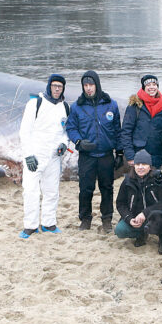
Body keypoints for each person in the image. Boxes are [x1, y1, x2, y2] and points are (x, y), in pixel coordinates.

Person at [65, 70, 123, 233]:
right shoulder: (77, 107)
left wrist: (119, 153)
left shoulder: (110, 104)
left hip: (105, 155)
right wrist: (78, 141)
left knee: (107, 188)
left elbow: (117, 130)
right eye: (85, 85)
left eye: (91, 85)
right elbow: (71, 127)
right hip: (87, 156)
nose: (88, 88)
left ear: (97, 85)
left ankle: (106, 219)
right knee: (85, 188)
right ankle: (85, 219)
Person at [18, 74, 70, 239]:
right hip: (35, 155)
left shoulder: (64, 107)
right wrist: (28, 155)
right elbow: (24, 131)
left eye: (60, 87)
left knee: (52, 191)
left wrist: (64, 144)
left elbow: (65, 132)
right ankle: (30, 226)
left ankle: (48, 223)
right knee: (31, 191)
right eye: (54, 86)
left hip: (54, 157)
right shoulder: (35, 103)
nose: (56, 89)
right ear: (49, 86)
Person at [114, 150, 162, 246]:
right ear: (134, 166)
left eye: (144, 164)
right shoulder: (127, 181)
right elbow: (120, 204)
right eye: (138, 164)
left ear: (150, 166)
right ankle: (141, 234)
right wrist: (129, 219)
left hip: (155, 216)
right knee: (120, 230)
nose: (140, 167)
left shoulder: (158, 179)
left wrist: (145, 213)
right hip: (136, 217)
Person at [122, 74, 162, 171]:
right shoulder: (135, 106)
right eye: (148, 85)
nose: (152, 87)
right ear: (144, 87)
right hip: (139, 154)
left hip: (158, 155)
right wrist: (130, 155)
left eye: (154, 84)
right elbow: (126, 132)